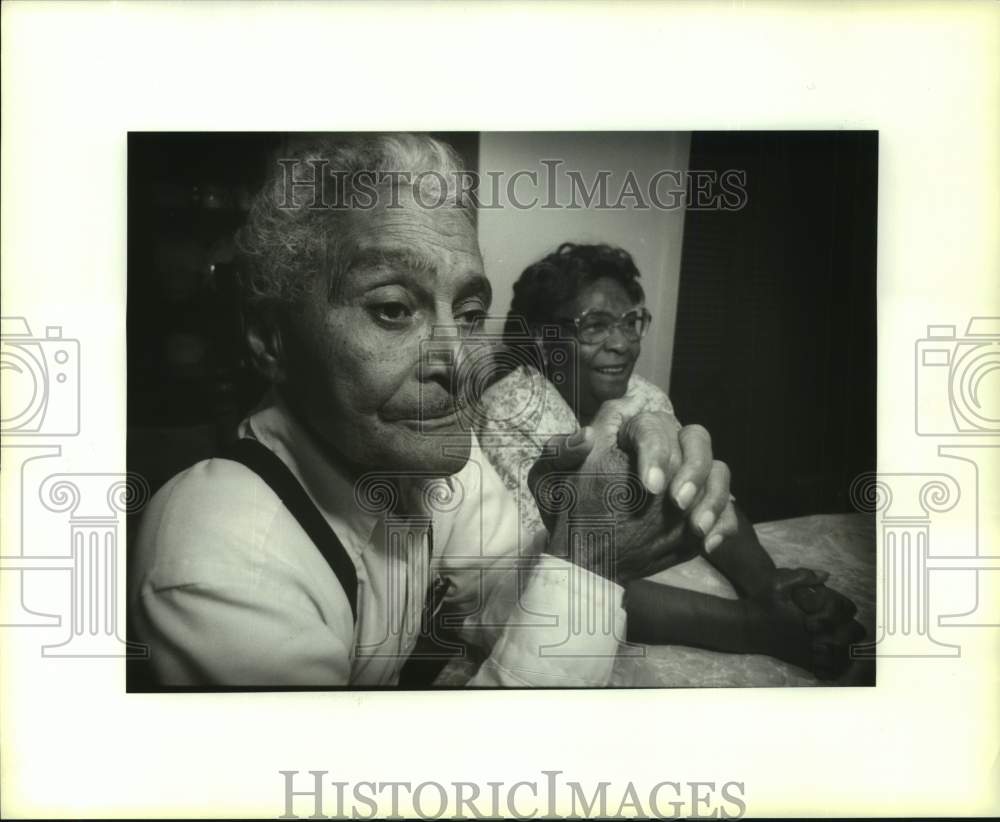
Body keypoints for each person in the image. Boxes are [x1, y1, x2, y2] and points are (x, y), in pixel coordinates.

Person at [128, 135, 736, 687]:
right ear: (271, 341)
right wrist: (586, 564)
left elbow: (495, 600)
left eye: (470, 315)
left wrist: (573, 530)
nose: (459, 360)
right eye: (393, 309)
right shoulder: (222, 563)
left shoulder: (436, 460)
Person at [475, 242, 865, 679]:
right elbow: (560, 576)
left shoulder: (642, 395)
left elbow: (703, 498)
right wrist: (754, 627)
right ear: (547, 339)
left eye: (631, 322)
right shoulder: (509, 411)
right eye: (596, 326)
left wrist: (769, 587)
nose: (622, 343)